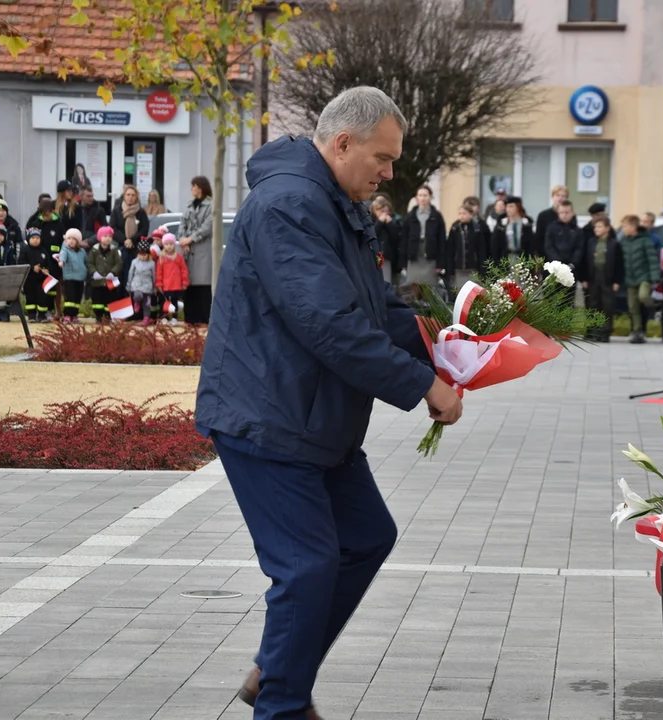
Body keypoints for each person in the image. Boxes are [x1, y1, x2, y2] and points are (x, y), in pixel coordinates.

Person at [196, 86, 462, 720]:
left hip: (315, 417)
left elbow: (373, 306)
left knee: (366, 537)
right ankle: (283, 705)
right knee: (308, 568)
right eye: (383, 157)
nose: (391, 172)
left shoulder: (334, 200)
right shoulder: (289, 204)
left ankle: (277, 673)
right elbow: (330, 322)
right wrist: (421, 384)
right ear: (342, 143)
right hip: (269, 415)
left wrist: (449, 344)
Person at [578, 217, 623, 341]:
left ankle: (605, 332)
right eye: (595, 227)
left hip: (607, 278)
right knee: (593, 304)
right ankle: (592, 330)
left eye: (599, 227)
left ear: (607, 228)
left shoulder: (614, 244)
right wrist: (584, 278)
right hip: (593, 278)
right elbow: (585, 261)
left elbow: (619, 264)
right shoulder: (591, 242)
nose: (596, 229)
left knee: (607, 305)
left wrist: (617, 281)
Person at [619, 214, 659, 344]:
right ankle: (637, 331)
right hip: (630, 278)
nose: (623, 229)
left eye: (625, 226)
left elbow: (652, 259)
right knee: (633, 307)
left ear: (633, 226)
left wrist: (655, 277)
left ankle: (656, 307)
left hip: (644, 277)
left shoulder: (645, 240)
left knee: (643, 296)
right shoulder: (623, 241)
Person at [180, 175, 214, 324]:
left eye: (194, 186)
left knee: (203, 285)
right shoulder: (189, 206)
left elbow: (207, 227)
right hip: (188, 252)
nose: (192, 189)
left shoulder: (211, 206)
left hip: (202, 251)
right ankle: (190, 318)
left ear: (201, 188)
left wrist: (191, 238)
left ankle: (203, 318)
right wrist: (183, 240)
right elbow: (183, 224)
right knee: (189, 285)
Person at [439, 203, 486, 293]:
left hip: (473, 268)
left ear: (471, 214)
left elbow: (481, 250)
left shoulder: (477, 229)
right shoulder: (455, 228)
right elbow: (450, 250)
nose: (462, 216)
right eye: (460, 213)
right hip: (459, 267)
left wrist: (482, 269)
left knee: (474, 292)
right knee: (460, 292)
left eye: (464, 213)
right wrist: (450, 270)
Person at [110, 184, 150, 288]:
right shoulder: (117, 211)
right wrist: (125, 240)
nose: (130, 197)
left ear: (136, 197)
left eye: (133, 195)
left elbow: (144, 229)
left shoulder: (141, 212)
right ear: (124, 196)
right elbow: (113, 229)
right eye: (128, 195)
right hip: (120, 247)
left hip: (136, 248)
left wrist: (132, 240)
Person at [403, 184, 446, 271]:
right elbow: (404, 239)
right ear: (417, 197)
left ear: (430, 197)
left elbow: (441, 240)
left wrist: (440, 263)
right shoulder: (410, 216)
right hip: (414, 254)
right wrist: (403, 262)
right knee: (414, 283)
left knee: (429, 284)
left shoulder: (437, 216)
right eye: (420, 195)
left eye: (425, 195)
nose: (423, 198)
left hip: (431, 254)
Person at [87, 226, 122, 323]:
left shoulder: (114, 250)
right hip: (97, 283)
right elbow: (90, 263)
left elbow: (118, 263)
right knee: (97, 301)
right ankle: (98, 316)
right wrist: (94, 272)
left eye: (110, 236)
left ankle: (107, 317)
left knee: (110, 299)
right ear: (100, 237)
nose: (108, 238)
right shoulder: (94, 250)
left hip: (110, 282)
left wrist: (113, 272)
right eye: (105, 236)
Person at [20, 228, 54, 322]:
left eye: (37, 238)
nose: (35, 240)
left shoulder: (43, 251)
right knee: (30, 298)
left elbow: (48, 263)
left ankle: (42, 315)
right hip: (29, 279)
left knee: (42, 297)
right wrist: (32, 267)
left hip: (41, 280)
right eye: (33, 238)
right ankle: (31, 315)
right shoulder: (25, 250)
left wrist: (47, 270)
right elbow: (21, 263)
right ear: (28, 239)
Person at [155, 233, 188, 324]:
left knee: (174, 302)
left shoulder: (178, 257)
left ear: (174, 244)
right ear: (163, 245)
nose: (169, 246)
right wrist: (159, 283)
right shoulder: (161, 258)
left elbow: (183, 270)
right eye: (166, 244)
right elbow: (159, 272)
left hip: (175, 285)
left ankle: (174, 318)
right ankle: (164, 317)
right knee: (164, 302)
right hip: (164, 285)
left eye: (171, 244)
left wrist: (184, 282)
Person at [372, 196, 405, 286]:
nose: (384, 214)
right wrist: (379, 222)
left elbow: (397, 237)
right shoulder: (371, 220)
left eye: (386, 211)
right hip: (375, 256)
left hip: (390, 257)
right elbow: (371, 234)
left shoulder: (395, 220)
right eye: (380, 211)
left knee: (390, 283)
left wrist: (390, 224)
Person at [489, 195, 533, 263]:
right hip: (506, 259)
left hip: (522, 259)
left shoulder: (526, 224)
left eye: (511, 206)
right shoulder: (502, 224)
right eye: (507, 206)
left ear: (518, 207)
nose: (508, 209)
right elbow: (495, 245)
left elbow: (531, 245)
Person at [59, 228, 88, 323]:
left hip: (80, 278)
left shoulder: (82, 251)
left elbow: (86, 262)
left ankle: (75, 314)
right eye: (69, 238)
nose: (71, 241)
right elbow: (62, 256)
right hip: (69, 277)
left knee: (77, 297)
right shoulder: (65, 250)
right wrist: (61, 261)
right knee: (69, 297)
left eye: (74, 239)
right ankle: (67, 314)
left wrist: (87, 271)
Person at [534, 185, 570, 259]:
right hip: (547, 257)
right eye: (558, 195)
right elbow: (539, 238)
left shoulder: (570, 216)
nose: (560, 198)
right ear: (553, 197)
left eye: (563, 196)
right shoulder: (543, 215)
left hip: (565, 258)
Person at [127, 241, 156, 324]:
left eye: (144, 255)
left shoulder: (152, 263)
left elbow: (154, 275)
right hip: (136, 285)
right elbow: (130, 272)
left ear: (148, 254)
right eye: (141, 254)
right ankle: (137, 302)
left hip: (147, 286)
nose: (142, 257)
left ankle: (146, 318)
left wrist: (154, 286)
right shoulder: (134, 262)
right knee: (137, 295)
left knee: (147, 303)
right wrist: (129, 284)